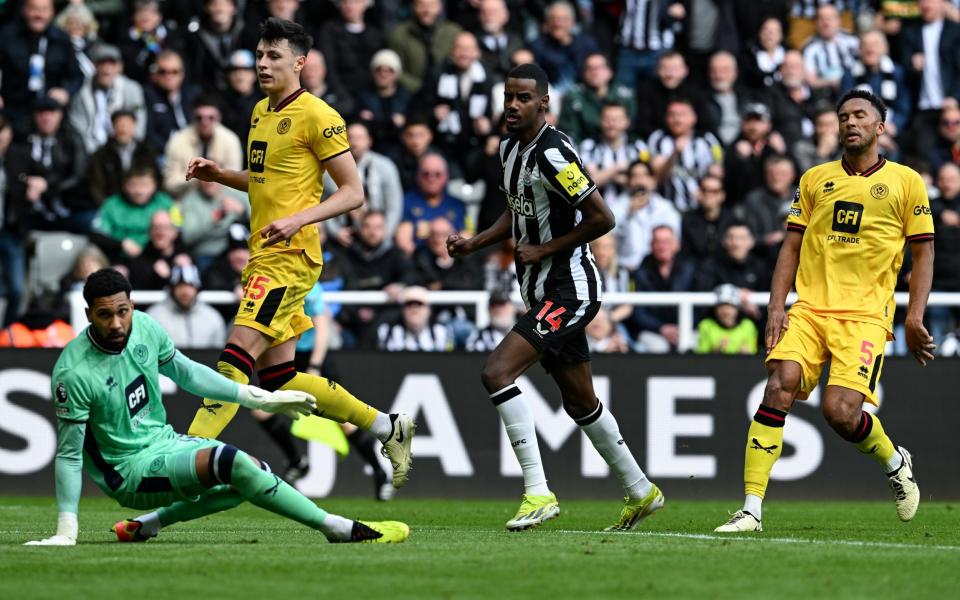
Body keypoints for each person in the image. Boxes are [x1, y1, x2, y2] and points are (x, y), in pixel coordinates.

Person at [179, 19, 415, 490]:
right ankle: (388, 426)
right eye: (260, 56)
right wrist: (222, 174)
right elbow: (266, 179)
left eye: (273, 57)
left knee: (233, 360)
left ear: (300, 63)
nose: (262, 64)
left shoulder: (319, 116)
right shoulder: (260, 112)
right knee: (279, 382)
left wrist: (300, 219)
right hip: (262, 255)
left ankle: (180, 461)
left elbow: (353, 193)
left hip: (289, 259)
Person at [24, 268, 408, 546]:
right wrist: (66, 529)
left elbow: (188, 373)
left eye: (122, 311)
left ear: (132, 305)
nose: (117, 323)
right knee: (235, 464)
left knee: (254, 474)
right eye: (104, 314)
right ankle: (337, 528)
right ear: (88, 313)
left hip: (165, 442)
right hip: (129, 471)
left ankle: (148, 525)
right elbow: (70, 456)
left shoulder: (144, 326)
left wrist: (257, 396)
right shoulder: (72, 373)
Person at [447, 63, 663, 532]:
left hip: (571, 287)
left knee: (496, 371)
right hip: (539, 289)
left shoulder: (554, 153)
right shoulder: (508, 149)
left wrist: (544, 248)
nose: (512, 105)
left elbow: (602, 218)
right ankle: (642, 489)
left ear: (543, 103)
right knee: (579, 401)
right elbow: (518, 208)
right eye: (508, 96)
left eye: (523, 98)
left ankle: (537, 492)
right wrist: (475, 242)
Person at [715, 89, 936, 533]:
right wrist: (777, 305)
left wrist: (914, 317)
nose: (850, 122)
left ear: (880, 127)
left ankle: (894, 461)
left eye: (860, 115)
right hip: (810, 309)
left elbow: (924, 252)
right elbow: (791, 246)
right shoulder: (815, 179)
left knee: (840, 413)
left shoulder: (906, 182)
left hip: (866, 316)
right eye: (843, 116)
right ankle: (751, 510)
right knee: (780, 384)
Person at [68, 44, 147, 154]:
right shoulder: (82, 92)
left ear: (120, 67)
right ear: (94, 66)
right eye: (102, 64)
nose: (106, 70)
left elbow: (139, 118)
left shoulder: (132, 90)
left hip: (125, 147)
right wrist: (93, 152)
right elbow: (78, 125)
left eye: (112, 64)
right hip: (90, 149)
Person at [147, 264, 226, 348]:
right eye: (180, 285)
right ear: (172, 289)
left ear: (197, 289)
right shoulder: (154, 316)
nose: (185, 291)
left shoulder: (213, 317)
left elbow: (218, 355)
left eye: (190, 285)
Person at [695, 283, 758, 355]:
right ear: (715, 309)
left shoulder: (748, 326)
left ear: (737, 309)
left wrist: (747, 355)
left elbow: (754, 353)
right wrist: (715, 352)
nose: (725, 311)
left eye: (729, 306)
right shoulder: (706, 325)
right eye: (721, 306)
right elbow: (700, 357)